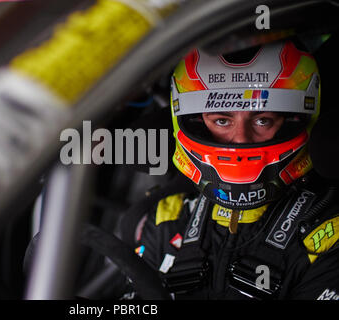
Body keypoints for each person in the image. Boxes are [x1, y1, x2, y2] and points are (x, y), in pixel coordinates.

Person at [118, 40, 339, 300]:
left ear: (293, 121)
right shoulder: (167, 217)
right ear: (195, 123)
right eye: (222, 120)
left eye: (262, 119)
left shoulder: (328, 236)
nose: (241, 139)